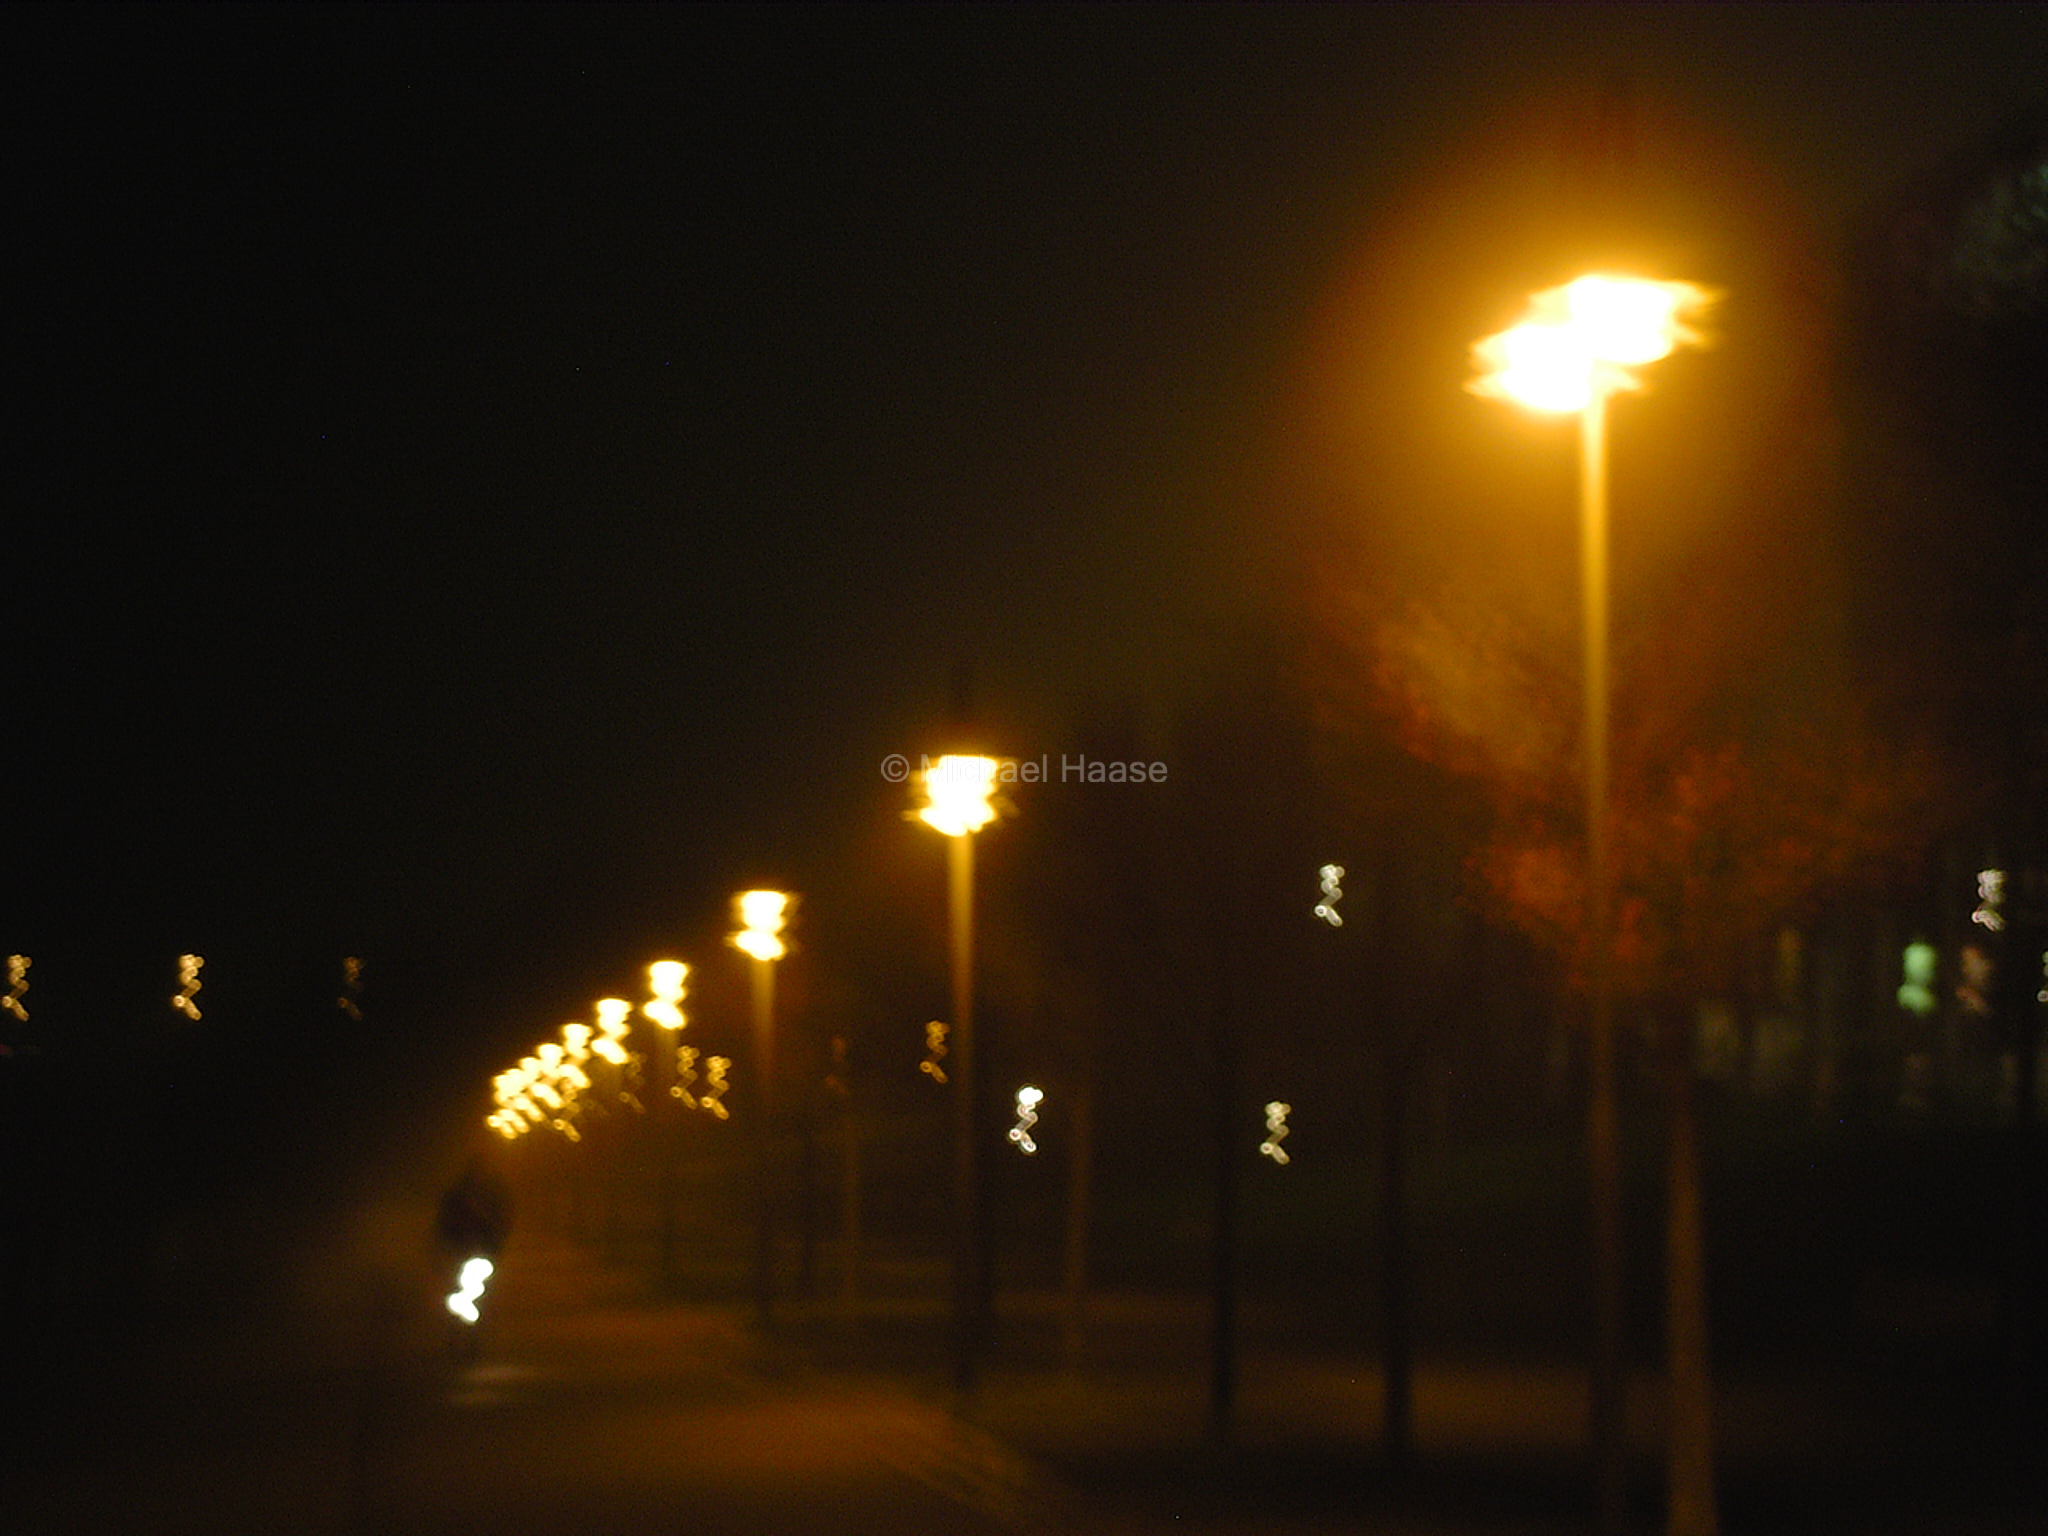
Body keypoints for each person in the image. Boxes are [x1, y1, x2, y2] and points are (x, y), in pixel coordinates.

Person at [436, 1158, 512, 1259]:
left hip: (483, 1245)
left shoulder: (492, 1193)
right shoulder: (458, 1195)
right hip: (461, 1245)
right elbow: (447, 1218)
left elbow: (501, 1216)